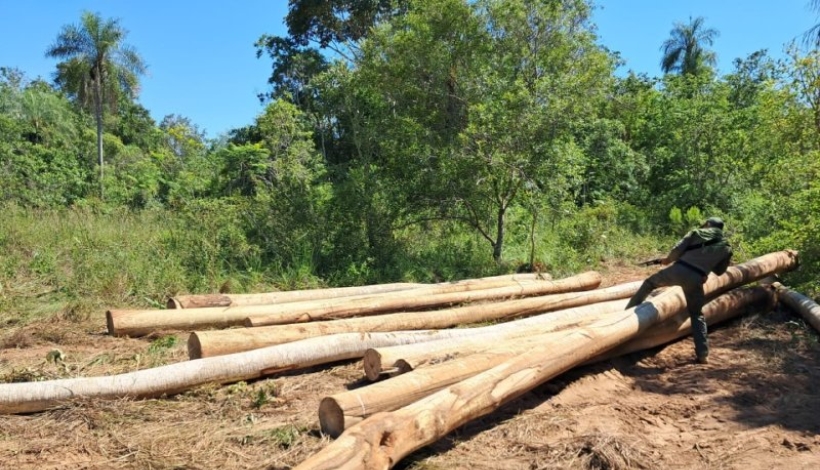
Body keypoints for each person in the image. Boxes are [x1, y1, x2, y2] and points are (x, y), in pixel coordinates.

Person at [625, 217, 733, 364]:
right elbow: (720, 271)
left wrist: (667, 260)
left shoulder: (696, 232)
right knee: (697, 315)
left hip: (678, 270)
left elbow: (676, 252)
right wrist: (704, 266)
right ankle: (703, 354)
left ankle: (627, 315)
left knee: (649, 283)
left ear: (708, 224)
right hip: (696, 279)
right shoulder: (726, 247)